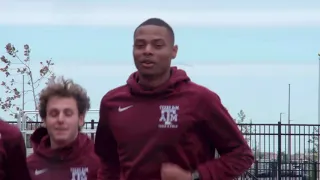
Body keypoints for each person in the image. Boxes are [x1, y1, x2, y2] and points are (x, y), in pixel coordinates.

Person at [95, 18, 254, 180]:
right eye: (140, 45)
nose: (147, 51)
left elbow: (241, 155)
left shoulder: (200, 99)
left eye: (158, 45)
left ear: (174, 51)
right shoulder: (112, 103)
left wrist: (194, 177)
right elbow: (107, 162)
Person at [27, 77, 100, 180]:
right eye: (54, 114)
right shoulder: (28, 167)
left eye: (68, 113)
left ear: (80, 119)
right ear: (44, 119)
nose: (60, 119)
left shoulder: (99, 162)